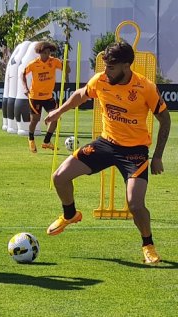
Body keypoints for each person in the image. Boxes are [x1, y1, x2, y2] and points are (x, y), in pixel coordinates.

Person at [44, 41, 170, 264]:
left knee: (135, 204)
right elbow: (81, 95)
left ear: (126, 65)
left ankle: (148, 244)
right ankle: (70, 214)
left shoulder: (145, 87)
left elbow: (165, 119)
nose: (106, 71)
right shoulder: (101, 80)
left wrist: (157, 155)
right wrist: (57, 112)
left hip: (135, 152)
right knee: (59, 177)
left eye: (111, 67)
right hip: (105, 144)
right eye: (104, 66)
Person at [21, 41, 70, 153]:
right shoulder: (33, 64)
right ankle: (31, 139)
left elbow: (67, 71)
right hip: (35, 97)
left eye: (49, 52)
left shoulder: (54, 62)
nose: (47, 55)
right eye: (45, 53)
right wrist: (25, 88)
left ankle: (46, 141)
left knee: (56, 117)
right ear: (40, 53)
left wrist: (67, 65)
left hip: (48, 97)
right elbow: (22, 74)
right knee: (35, 120)